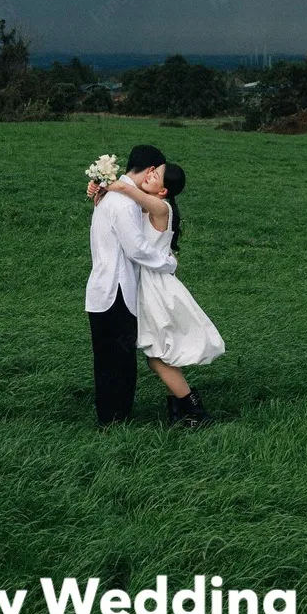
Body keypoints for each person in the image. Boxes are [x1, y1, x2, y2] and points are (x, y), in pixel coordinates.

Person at [89, 162, 224, 428]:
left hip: (157, 289)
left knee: (157, 356)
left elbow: (130, 196)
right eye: (149, 171)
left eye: (156, 175)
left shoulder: (162, 208)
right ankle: (183, 409)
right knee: (157, 354)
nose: (149, 175)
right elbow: (122, 213)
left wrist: (115, 184)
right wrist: (97, 190)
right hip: (147, 285)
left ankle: (192, 408)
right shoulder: (143, 206)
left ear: (163, 191)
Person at [85, 144, 177, 428]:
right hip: (117, 291)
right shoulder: (122, 202)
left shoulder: (112, 197)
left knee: (106, 360)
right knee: (119, 362)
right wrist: (167, 262)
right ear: (150, 169)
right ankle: (115, 421)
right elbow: (136, 249)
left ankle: (109, 419)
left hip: (101, 288)